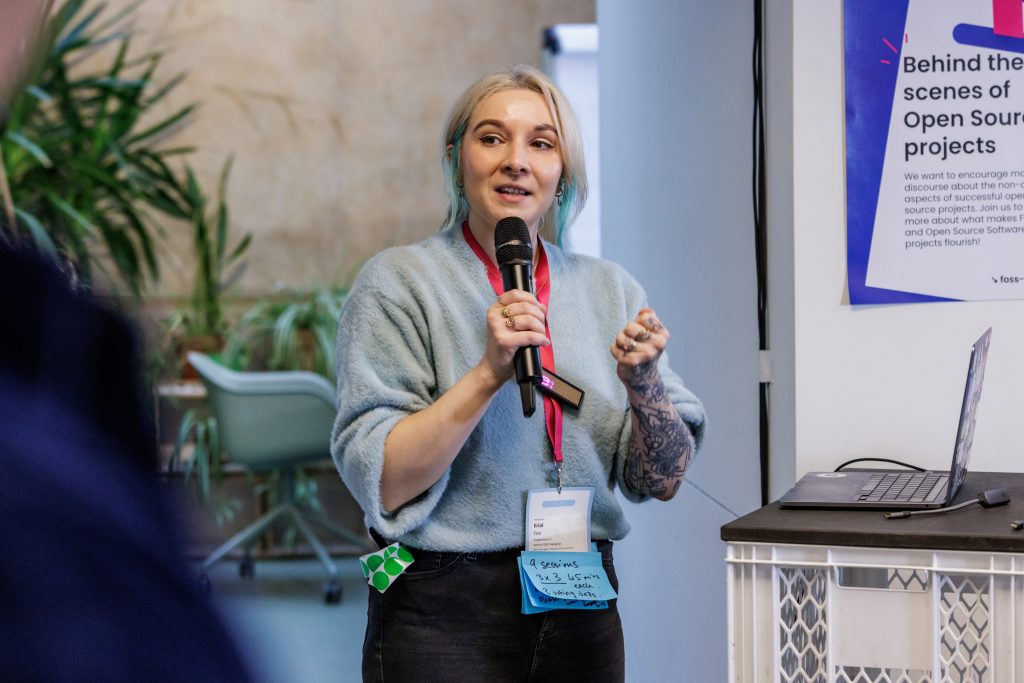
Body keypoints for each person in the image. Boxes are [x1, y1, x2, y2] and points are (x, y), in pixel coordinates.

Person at [332, 65, 706, 682]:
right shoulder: (397, 284)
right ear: (456, 161)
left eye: (541, 143)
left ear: (563, 175)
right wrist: (487, 373)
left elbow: (659, 479)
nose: (516, 161)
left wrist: (645, 386)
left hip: (580, 595)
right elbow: (386, 482)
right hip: (442, 605)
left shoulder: (609, 289)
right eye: (491, 138)